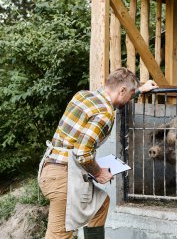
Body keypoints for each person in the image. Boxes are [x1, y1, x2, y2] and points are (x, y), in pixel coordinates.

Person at [38, 67, 158, 239]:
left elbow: (110, 100)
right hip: (63, 177)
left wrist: (139, 90)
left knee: (101, 203)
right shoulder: (105, 114)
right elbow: (82, 152)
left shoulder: (83, 95)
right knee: (59, 236)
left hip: (52, 168)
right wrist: (99, 173)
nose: (130, 98)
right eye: (130, 94)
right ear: (122, 90)